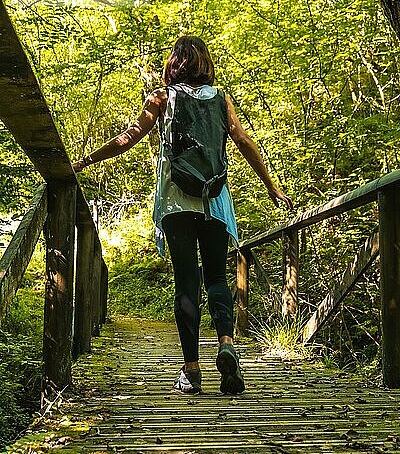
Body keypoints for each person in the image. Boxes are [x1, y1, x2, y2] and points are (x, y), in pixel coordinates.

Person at [73, 35, 293, 396]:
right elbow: (243, 141)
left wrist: (85, 161)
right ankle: (226, 343)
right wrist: (270, 185)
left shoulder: (161, 98)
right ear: (205, 63)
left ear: (175, 63)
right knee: (218, 280)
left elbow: (128, 138)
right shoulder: (222, 98)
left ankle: (191, 371)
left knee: (186, 283)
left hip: (176, 202)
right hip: (215, 200)